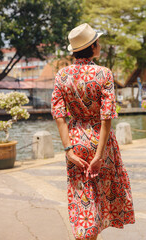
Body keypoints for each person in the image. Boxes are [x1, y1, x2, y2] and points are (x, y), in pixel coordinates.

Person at [51, 23, 135, 240]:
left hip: (75, 138)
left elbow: (59, 116)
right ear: (94, 47)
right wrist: (99, 155)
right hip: (100, 140)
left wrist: (68, 150)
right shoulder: (103, 74)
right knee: (100, 195)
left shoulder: (62, 75)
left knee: (82, 194)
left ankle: (84, 233)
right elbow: (107, 118)